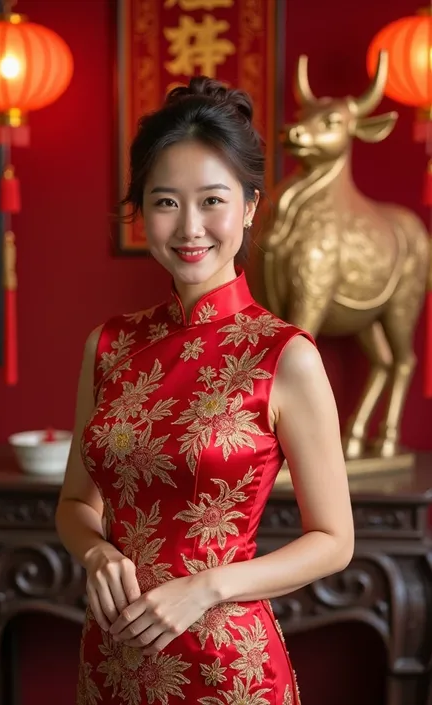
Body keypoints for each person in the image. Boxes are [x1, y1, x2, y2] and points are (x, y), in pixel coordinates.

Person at [56, 76, 354, 705]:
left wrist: (208, 586)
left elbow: (334, 542)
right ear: (142, 212)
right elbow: (75, 505)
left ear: (248, 206)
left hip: (228, 668)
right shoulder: (109, 346)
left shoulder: (285, 355)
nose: (189, 227)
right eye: (165, 202)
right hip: (111, 660)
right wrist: (96, 556)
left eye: (212, 200)